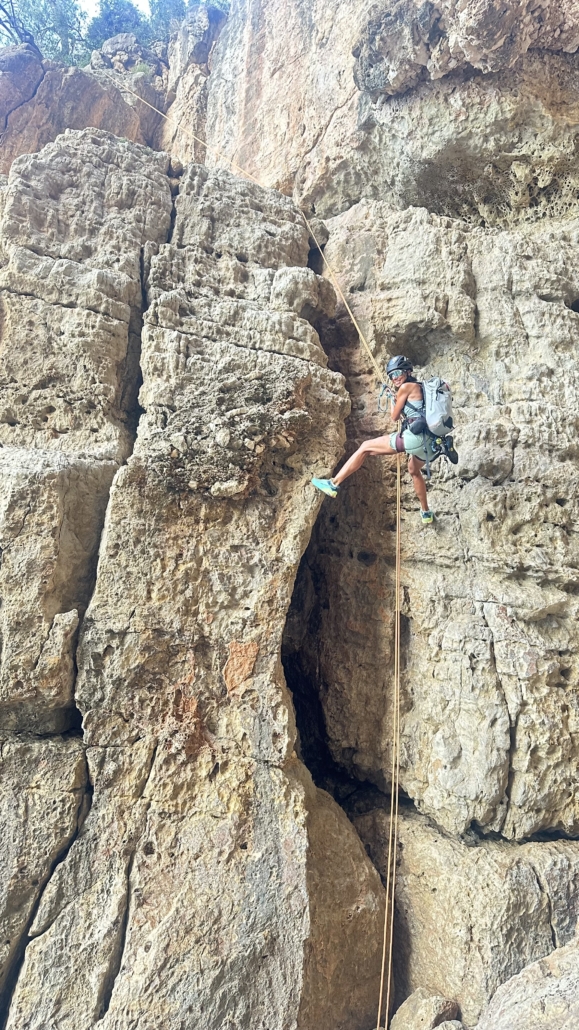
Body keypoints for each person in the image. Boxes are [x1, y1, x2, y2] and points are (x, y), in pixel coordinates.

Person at [311, 355, 456, 525]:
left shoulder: (405, 388)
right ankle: (425, 512)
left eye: (398, 373)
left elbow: (394, 417)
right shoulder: (421, 388)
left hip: (414, 439)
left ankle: (334, 483)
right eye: (392, 375)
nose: (395, 378)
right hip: (430, 444)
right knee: (413, 470)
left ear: (408, 372)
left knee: (365, 447)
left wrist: (391, 399)